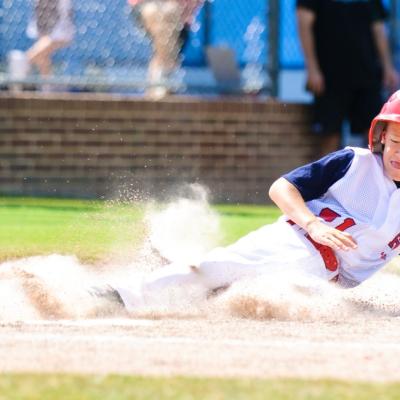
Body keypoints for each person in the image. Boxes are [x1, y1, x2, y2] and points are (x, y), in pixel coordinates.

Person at [91, 90, 400, 313]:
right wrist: (313, 223)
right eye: (397, 141)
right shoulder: (354, 162)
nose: (399, 154)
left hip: (325, 283)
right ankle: (118, 295)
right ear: (382, 135)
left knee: (253, 296)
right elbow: (282, 187)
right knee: (216, 267)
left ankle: (182, 276)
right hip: (296, 241)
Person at [296, 0, 399, 155]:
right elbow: (304, 24)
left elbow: (378, 29)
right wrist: (312, 68)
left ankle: (375, 179)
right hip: (329, 78)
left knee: (376, 136)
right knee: (329, 136)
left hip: (367, 76)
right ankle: (329, 179)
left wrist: (388, 67)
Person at [128, 0, 203, 98]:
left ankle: (159, 81)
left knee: (169, 13)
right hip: (147, 8)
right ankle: (164, 78)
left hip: (179, 19)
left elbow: (192, 6)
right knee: (156, 12)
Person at [26, 0, 75, 87]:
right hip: (43, 24)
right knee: (42, 58)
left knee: (30, 57)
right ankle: (48, 89)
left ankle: (52, 87)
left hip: (61, 29)